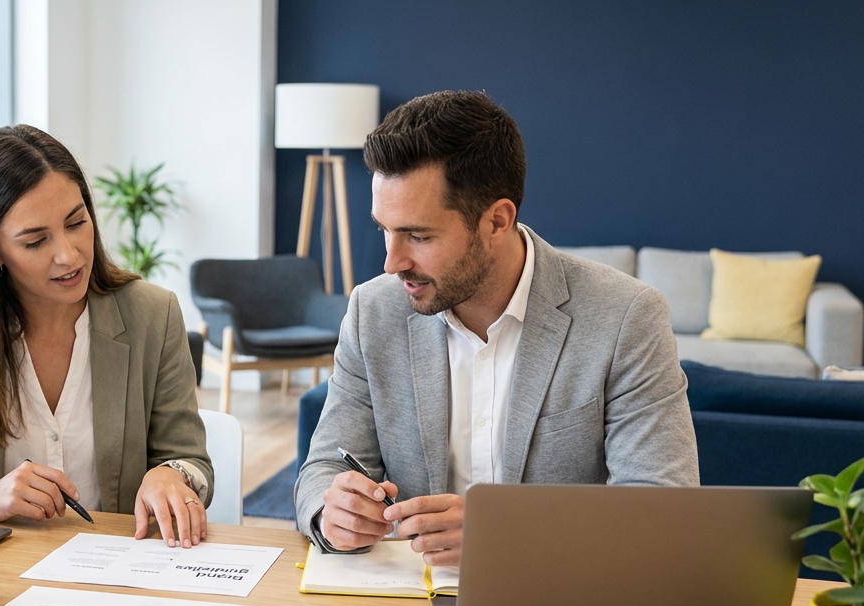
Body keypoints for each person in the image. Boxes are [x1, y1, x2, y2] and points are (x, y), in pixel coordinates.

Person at [294, 90, 699, 564]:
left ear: (497, 221)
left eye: (419, 236)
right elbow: (322, 466)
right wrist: (331, 511)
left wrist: (505, 534)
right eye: (385, 229)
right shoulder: (372, 310)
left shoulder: (626, 316)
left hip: (554, 602)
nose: (391, 262)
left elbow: (664, 508)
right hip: (405, 601)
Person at [0, 125, 212, 548]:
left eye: (76, 222)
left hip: (121, 566)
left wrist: (169, 474)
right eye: (35, 241)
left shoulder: (153, 314)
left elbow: (191, 460)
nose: (69, 254)